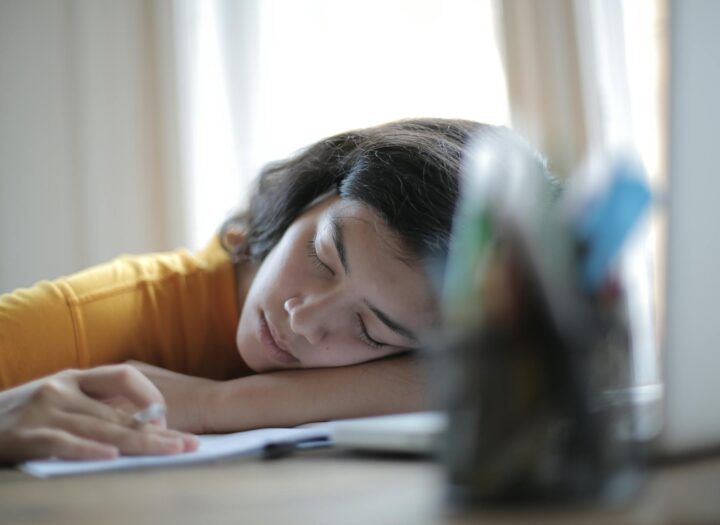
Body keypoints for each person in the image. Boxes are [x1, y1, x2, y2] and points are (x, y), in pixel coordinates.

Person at [0, 118, 551, 463]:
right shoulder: (92, 318)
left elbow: (505, 373)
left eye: (369, 328)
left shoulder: (428, 354)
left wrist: (216, 404)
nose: (305, 319)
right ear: (311, 199)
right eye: (321, 256)